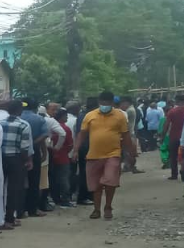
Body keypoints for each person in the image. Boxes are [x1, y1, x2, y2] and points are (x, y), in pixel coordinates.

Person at [75, 91, 135, 220]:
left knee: (110, 182)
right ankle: (96, 209)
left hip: (113, 154)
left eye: (107, 103)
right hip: (93, 155)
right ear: (99, 102)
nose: (104, 105)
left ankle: (108, 206)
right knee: (96, 185)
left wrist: (131, 152)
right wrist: (75, 150)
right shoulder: (89, 116)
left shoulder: (120, 116)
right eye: (102, 103)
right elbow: (82, 134)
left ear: (112, 103)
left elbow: (125, 136)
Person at [0, 100, 33, 227]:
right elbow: (24, 147)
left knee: (0, 188)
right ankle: (9, 218)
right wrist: (27, 160)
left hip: (1, 158)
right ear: (19, 110)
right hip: (16, 158)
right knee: (13, 189)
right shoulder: (24, 125)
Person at [20, 100, 49, 218]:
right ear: (35, 107)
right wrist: (33, 143)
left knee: (19, 181)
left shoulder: (17, 117)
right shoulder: (40, 119)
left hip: (18, 152)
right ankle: (32, 209)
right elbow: (45, 134)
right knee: (34, 181)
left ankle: (21, 209)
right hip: (34, 151)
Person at [163, 95, 184, 180]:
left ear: (176, 101)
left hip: (174, 137)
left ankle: (174, 174)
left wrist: (162, 137)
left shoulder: (172, 111)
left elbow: (166, 125)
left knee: (173, 156)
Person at [50, 109, 76, 207]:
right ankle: (65, 199)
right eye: (66, 116)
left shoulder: (51, 127)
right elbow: (70, 145)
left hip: (52, 157)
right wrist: (65, 152)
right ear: (61, 117)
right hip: (63, 157)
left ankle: (55, 198)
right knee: (64, 179)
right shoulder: (65, 129)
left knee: (53, 179)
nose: (67, 118)